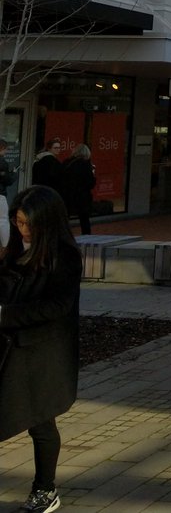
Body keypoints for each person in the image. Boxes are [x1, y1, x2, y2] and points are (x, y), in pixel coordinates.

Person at [0, 184, 83, 513]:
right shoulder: (17, 250)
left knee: (40, 421)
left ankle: (45, 490)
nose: (22, 230)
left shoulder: (64, 257)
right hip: (11, 348)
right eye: (18, 222)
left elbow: (57, 307)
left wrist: (5, 315)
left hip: (43, 354)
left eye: (27, 223)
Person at [60, 144, 97, 236]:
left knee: (65, 217)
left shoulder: (67, 162)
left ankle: (64, 235)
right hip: (81, 195)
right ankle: (86, 237)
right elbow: (90, 183)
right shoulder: (85, 164)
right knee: (84, 218)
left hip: (67, 194)